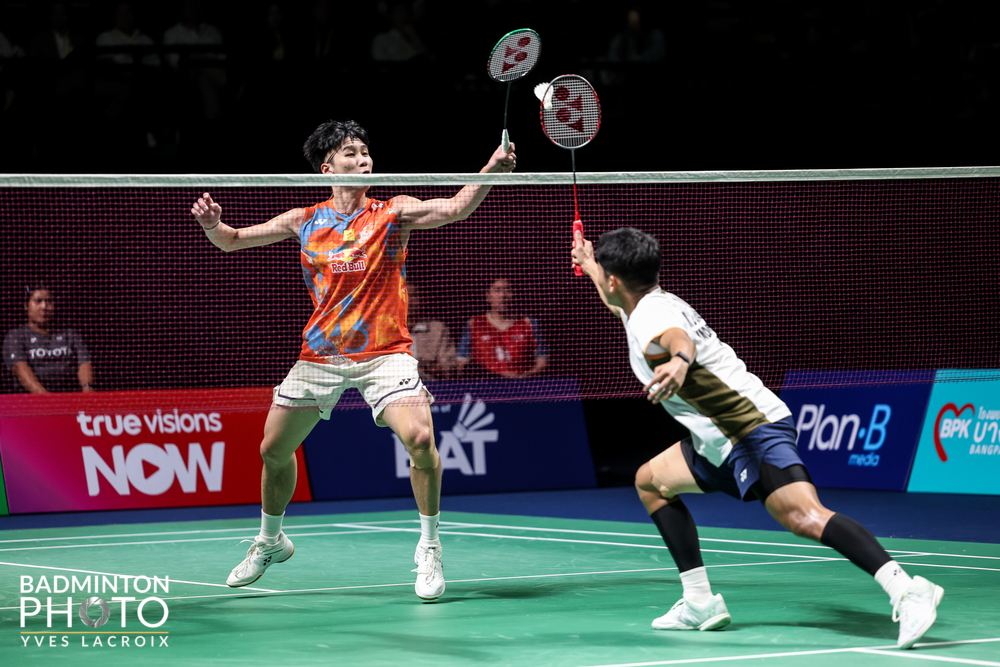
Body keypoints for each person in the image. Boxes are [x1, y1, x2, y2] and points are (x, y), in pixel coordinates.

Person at [570, 227, 942, 649]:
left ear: (616, 280)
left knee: (804, 516)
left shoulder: (653, 318)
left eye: (605, 275)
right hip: (716, 439)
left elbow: (677, 339)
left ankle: (908, 589)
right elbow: (620, 304)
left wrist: (679, 361)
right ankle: (699, 603)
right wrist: (590, 264)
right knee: (651, 482)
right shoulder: (648, 303)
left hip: (749, 428)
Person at [190, 119, 516, 600]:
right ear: (327, 167)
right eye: (350, 152)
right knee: (272, 450)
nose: (363, 159)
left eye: (365, 152)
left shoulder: (393, 212)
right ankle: (271, 540)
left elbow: (453, 208)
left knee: (421, 439)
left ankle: (429, 547)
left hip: (386, 353)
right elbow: (233, 239)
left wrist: (490, 169)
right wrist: (212, 224)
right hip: (321, 354)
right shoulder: (303, 220)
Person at [3, 285, 94, 394]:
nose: (44, 306)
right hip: (32, 399)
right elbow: (20, 369)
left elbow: (84, 362)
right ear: (26, 306)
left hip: (69, 396)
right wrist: (47, 398)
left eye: (49, 301)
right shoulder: (16, 336)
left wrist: (87, 387)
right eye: (38, 301)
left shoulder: (70, 334)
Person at [456, 277, 548, 379]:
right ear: (488, 296)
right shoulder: (474, 324)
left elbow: (542, 362)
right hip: (485, 385)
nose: (503, 295)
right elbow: (461, 364)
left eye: (507, 290)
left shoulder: (528, 323)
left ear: (514, 295)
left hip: (524, 384)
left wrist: (521, 377)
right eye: (497, 290)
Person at [408, 282, 457, 381]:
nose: (408, 300)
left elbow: (449, 364)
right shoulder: (383, 330)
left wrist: (429, 368)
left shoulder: (437, 329)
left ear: (422, 299)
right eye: (403, 295)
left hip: (431, 384)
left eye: (413, 296)